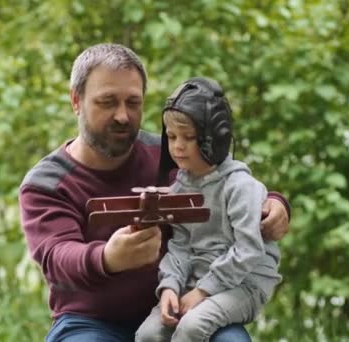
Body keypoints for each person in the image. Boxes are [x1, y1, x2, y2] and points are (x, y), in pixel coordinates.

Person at [18, 43, 291, 342]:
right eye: (107, 102)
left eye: (133, 102)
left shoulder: (173, 153)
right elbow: (57, 256)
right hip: (91, 322)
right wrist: (108, 258)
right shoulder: (46, 182)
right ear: (76, 101)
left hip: (182, 306)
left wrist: (275, 205)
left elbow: (226, 181)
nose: (122, 115)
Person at [134, 77, 282, 342]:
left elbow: (248, 250)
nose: (177, 146)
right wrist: (170, 286)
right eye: (171, 136)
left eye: (189, 138)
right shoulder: (181, 188)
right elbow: (180, 245)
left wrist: (202, 292)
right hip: (199, 283)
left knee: (192, 327)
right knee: (148, 334)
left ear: (217, 137)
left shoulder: (240, 187)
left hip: (244, 285)